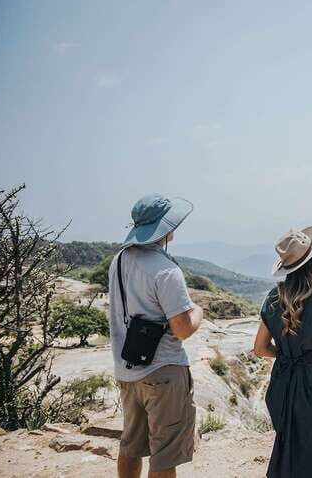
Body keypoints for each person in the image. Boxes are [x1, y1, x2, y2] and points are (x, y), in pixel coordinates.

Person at [109, 194, 204, 478]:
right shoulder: (166, 270)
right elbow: (182, 328)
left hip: (127, 370)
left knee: (130, 446)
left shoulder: (120, 259)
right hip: (163, 370)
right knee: (164, 457)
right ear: (164, 228)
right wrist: (198, 311)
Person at [253, 226, 312, 478]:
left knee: (285, 444)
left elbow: (259, 348)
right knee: (311, 450)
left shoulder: (274, 298)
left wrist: (285, 355)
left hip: (282, 382)